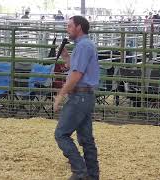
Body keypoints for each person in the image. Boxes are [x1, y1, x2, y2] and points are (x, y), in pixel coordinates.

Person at [54, 16, 100, 180]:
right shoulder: (85, 45)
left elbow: (76, 74)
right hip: (86, 96)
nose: (67, 28)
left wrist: (60, 94)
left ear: (78, 27)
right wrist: (66, 58)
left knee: (61, 134)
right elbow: (77, 68)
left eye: (69, 26)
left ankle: (80, 172)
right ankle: (93, 176)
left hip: (79, 96)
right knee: (86, 139)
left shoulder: (83, 46)